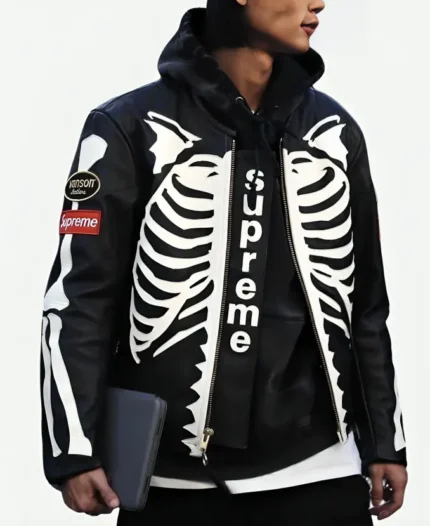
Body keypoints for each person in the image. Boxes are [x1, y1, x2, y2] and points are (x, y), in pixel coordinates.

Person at [40, 1, 408, 525]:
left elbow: (366, 305)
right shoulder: (123, 128)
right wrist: (73, 447)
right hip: (170, 483)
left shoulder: (335, 131)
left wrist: (386, 441)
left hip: (319, 474)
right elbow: (79, 300)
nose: (318, 3)